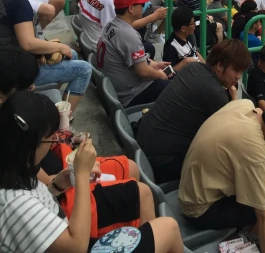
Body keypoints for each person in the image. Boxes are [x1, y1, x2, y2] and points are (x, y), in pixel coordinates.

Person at [0, 92, 184, 253]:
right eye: (50, 140)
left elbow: (40, 203)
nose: (52, 146)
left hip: (60, 228)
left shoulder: (14, 166)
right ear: (31, 145)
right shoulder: (16, 203)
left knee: (141, 193)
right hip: (75, 241)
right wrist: (81, 174)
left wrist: (58, 184)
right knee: (169, 227)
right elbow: (76, 247)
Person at [179, 95, 265, 253]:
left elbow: (238, 142)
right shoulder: (253, 149)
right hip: (202, 209)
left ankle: (252, 232)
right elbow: (263, 217)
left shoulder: (244, 105)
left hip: (198, 186)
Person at [137, 39, 251, 183]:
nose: (239, 77)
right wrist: (234, 99)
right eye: (236, 70)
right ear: (220, 66)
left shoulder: (194, 68)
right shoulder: (215, 93)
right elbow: (233, 137)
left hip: (145, 142)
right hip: (162, 163)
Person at [0, 0, 92, 112]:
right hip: (12, 73)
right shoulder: (17, 2)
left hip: (9, 61)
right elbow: (28, 44)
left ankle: (48, 102)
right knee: (84, 70)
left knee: (73, 54)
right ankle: (62, 119)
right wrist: (59, 46)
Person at [97, 0, 170, 107]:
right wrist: (160, 75)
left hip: (118, 86)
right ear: (131, 8)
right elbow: (144, 73)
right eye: (141, 4)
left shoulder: (112, 23)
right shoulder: (129, 35)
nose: (143, 6)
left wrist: (154, 64)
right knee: (174, 87)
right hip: (131, 95)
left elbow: (132, 58)